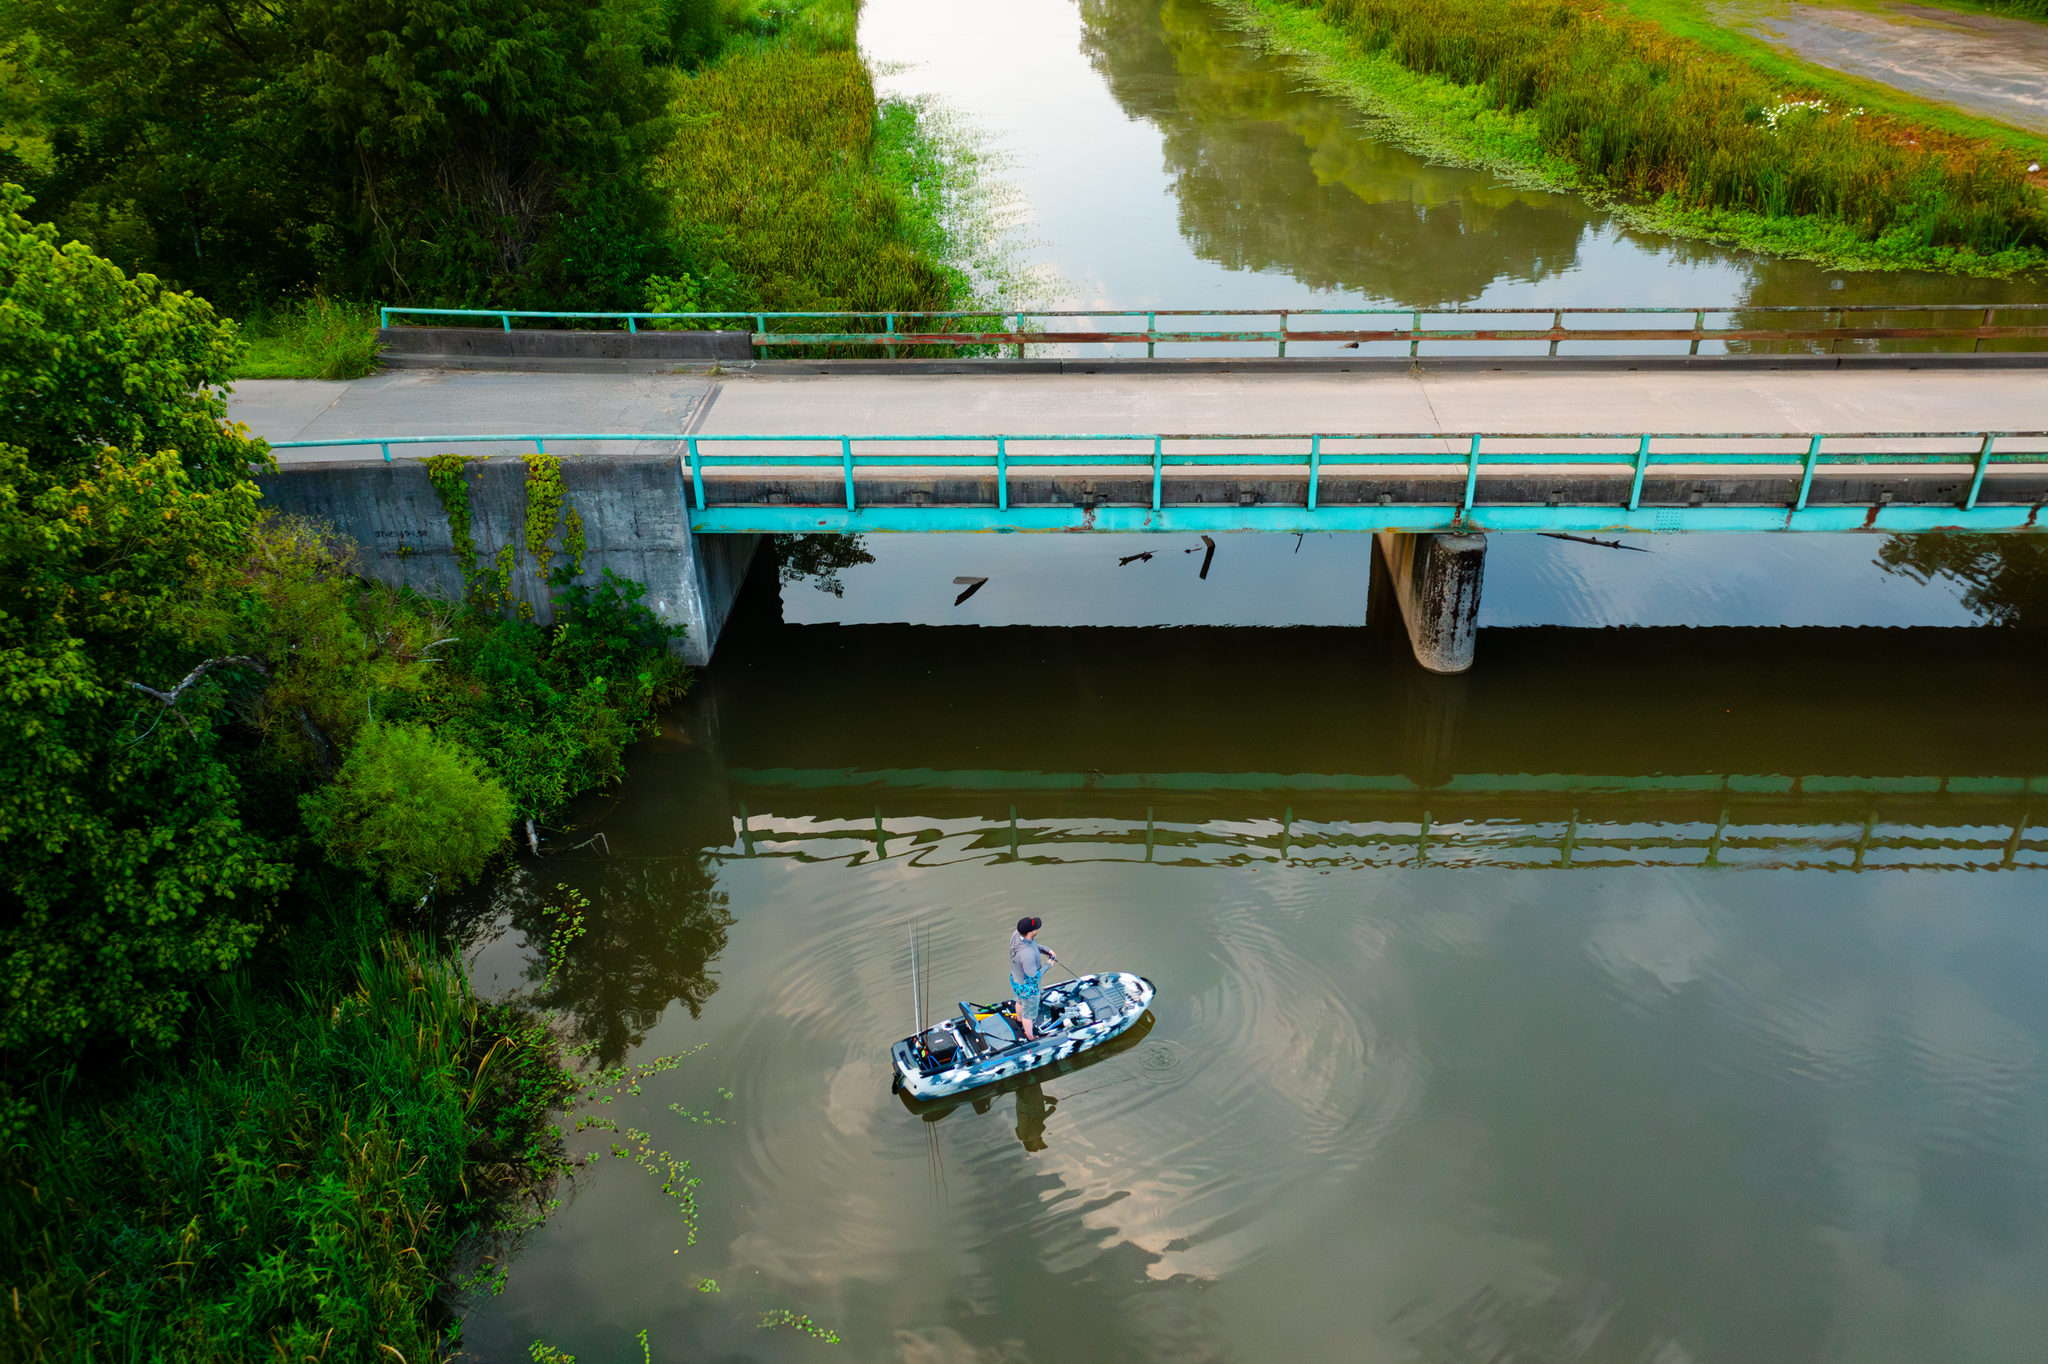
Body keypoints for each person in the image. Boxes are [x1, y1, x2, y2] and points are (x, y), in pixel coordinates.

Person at [1008, 916, 1059, 1040]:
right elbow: (1034, 976)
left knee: (1020, 1000)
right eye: (1035, 928)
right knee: (1029, 1014)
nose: (1037, 929)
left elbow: (1033, 945)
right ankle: (1030, 1037)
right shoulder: (1028, 955)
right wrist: (1048, 965)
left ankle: (1019, 1020)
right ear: (1030, 932)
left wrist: (1045, 950)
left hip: (1016, 979)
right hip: (1028, 987)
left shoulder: (1016, 935)